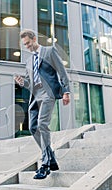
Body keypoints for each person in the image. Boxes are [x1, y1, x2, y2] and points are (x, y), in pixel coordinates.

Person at [14, 29, 70, 179]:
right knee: (33, 128)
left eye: (28, 43)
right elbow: (30, 84)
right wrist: (22, 82)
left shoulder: (49, 51)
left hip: (48, 93)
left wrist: (66, 91)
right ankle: (51, 158)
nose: (27, 47)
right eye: (24, 45)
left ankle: (45, 164)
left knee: (42, 124)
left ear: (34, 39)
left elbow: (62, 71)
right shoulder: (28, 61)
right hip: (35, 95)